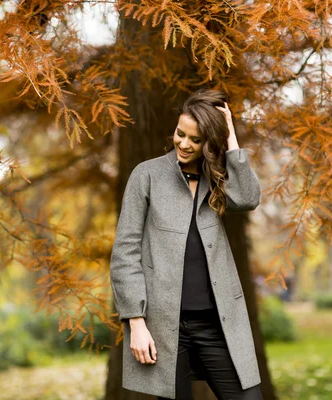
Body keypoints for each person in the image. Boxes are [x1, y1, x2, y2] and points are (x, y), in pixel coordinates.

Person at [109, 88, 264, 400]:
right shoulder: (147, 175)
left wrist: (230, 136)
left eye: (195, 140)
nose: (183, 143)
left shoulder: (217, 177)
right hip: (165, 327)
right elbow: (125, 253)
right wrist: (135, 323)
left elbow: (247, 198)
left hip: (218, 326)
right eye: (180, 134)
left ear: (210, 144)